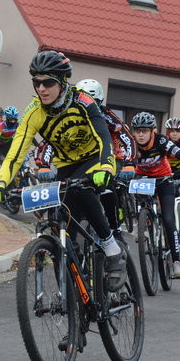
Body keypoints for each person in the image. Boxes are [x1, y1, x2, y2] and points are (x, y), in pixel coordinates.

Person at [0, 51, 127, 292]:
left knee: (83, 189)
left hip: (95, 159)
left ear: (63, 82)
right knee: (64, 231)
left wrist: (106, 166)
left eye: (48, 82)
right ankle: (74, 297)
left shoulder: (83, 101)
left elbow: (104, 137)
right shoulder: (34, 112)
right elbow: (16, 151)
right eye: (37, 82)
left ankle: (111, 247)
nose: (41, 88)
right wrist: (1, 183)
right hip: (65, 165)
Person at [74, 78, 137, 240]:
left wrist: (129, 163)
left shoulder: (108, 116)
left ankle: (115, 227)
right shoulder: (71, 116)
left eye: (92, 102)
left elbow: (128, 138)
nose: (87, 106)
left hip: (111, 157)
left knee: (107, 188)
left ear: (99, 101)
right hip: (84, 159)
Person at [129, 112, 180, 279]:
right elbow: (122, 159)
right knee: (131, 192)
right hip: (143, 179)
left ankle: (176, 263)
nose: (140, 135)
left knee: (169, 219)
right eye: (137, 131)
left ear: (152, 131)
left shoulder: (161, 140)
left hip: (164, 179)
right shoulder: (132, 143)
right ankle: (140, 224)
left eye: (144, 131)